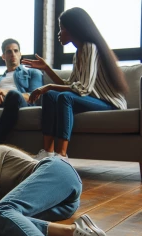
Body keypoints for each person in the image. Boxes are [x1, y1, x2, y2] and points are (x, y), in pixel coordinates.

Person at [22, 7, 128, 160]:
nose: (59, 33)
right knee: (51, 95)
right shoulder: (78, 53)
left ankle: (61, 156)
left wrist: (49, 86)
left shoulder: (89, 47)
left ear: (73, 29)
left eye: (62, 29)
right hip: (92, 99)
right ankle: (47, 153)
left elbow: (82, 88)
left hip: (110, 103)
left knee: (65, 97)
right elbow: (70, 84)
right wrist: (47, 68)